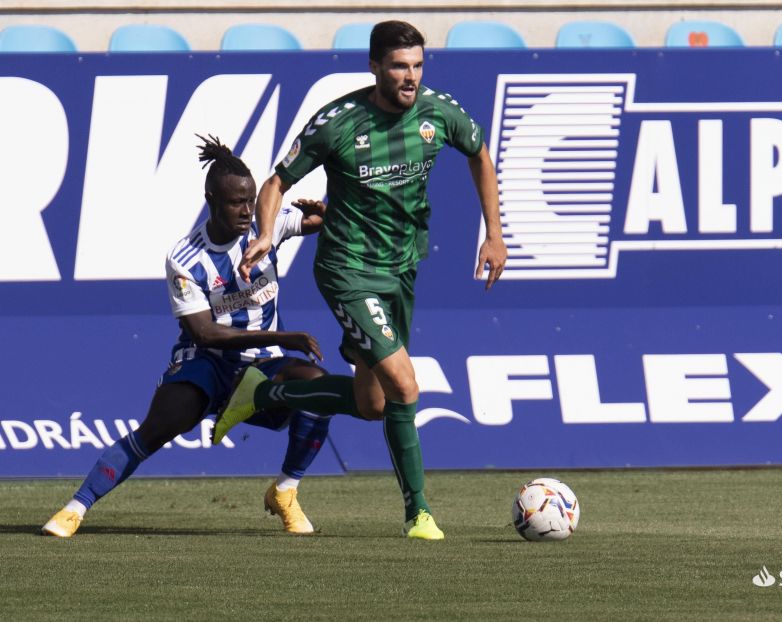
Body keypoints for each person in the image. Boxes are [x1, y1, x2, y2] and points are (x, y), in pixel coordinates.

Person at [215, 20, 508, 541]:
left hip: (402, 269)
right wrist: (264, 233)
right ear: (375, 66)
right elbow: (277, 181)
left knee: (374, 405)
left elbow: (480, 154)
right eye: (399, 66)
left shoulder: (438, 113)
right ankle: (418, 513)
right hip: (348, 270)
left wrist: (494, 233)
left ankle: (264, 395)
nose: (411, 77)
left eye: (418, 65)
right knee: (405, 385)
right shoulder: (340, 123)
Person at [42, 136, 358, 538]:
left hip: (265, 361)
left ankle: (286, 490)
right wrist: (282, 334)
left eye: (249, 200)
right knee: (161, 425)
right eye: (235, 203)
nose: (246, 211)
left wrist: (324, 213)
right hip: (206, 360)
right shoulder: (185, 257)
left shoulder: (265, 228)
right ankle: (75, 508)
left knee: (319, 389)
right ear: (211, 200)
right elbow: (204, 332)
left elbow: (319, 223)